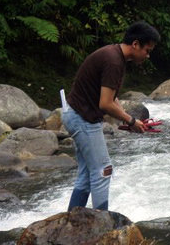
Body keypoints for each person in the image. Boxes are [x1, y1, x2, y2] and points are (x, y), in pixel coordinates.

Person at [62, 21, 159, 211]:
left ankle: (72, 220)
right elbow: (105, 104)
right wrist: (130, 120)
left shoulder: (114, 55)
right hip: (83, 119)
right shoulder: (114, 61)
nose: (147, 55)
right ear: (135, 44)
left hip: (76, 115)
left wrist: (129, 119)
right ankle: (102, 224)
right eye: (147, 50)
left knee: (86, 175)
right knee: (103, 172)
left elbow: (112, 99)